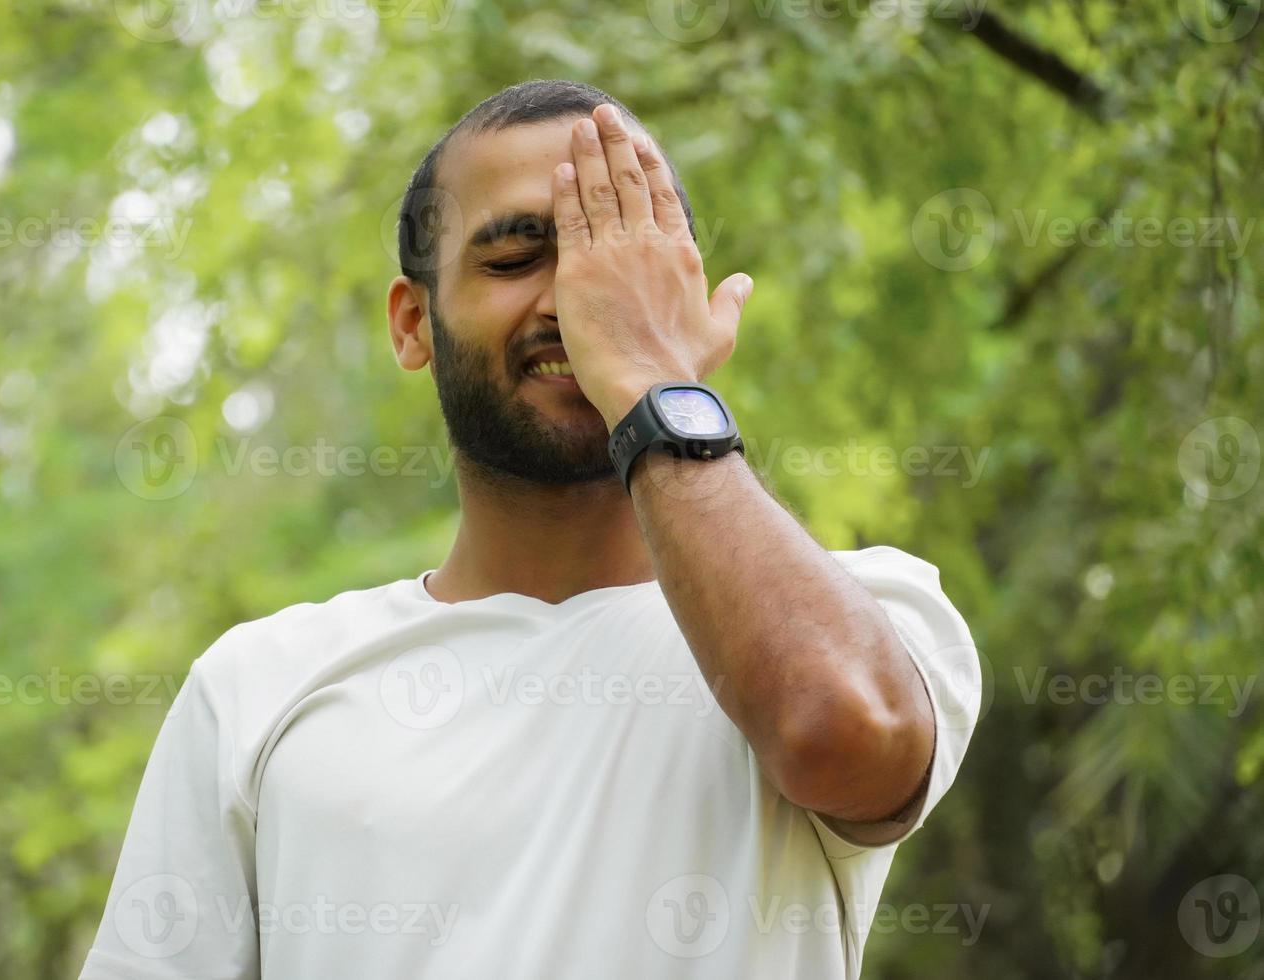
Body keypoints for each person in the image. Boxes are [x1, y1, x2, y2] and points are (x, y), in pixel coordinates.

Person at [79, 78, 981, 980]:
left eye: (619, 256)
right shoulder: (255, 686)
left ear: (684, 295)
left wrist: (649, 379)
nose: (576, 303)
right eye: (516, 259)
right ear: (412, 323)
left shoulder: (869, 613)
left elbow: (840, 735)